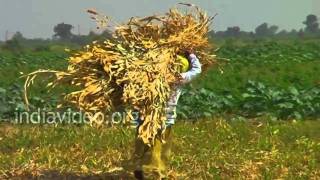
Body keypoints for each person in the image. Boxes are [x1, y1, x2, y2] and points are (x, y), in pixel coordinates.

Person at [131, 51, 202, 179]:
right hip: (166, 120)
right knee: (160, 148)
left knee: (142, 144)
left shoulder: (147, 77)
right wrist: (191, 54)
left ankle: (140, 168)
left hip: (144, 119)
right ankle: (155, 173)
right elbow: (197, 70)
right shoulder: (178, 78)